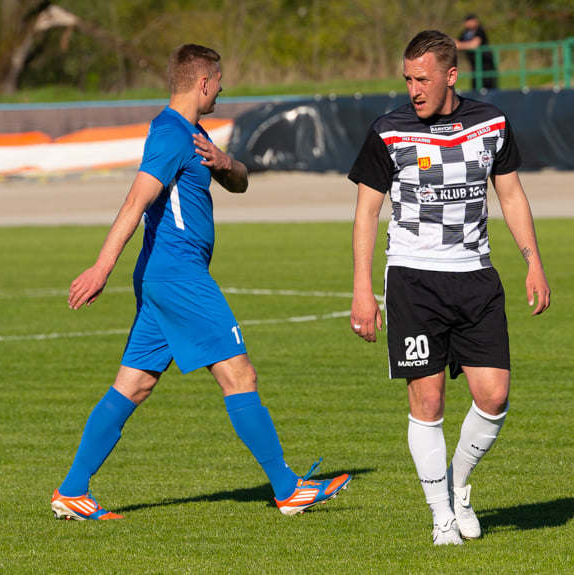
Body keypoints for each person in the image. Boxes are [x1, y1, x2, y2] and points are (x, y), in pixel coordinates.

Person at [50, 43, 350, 521]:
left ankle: (71, 489)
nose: (223, 88)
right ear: (203, 82)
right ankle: (288, 488)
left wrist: (226, 162)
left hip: (163, 277)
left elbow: (241, 181)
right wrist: (101, 267)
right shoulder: (170, 136)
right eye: (219, 80)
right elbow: (134, 202)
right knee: (239, 374)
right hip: (178, 276)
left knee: (135, 384)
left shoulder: (193, 134)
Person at [348, 30, 550, 545]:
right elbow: (367, 212)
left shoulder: (492, 122)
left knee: (495, 395)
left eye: (423, 78)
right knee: (429, 401)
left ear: (450, 76)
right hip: (413, 279)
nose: (413, 88)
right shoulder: (388, 131)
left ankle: (458, 484)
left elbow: (511, 195)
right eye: (407, 78)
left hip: (477, 277)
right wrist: (362, 288)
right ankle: (441, 516)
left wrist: (533, 261)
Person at [455, 14, 497, 91]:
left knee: (489, 88)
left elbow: (475, 44)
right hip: (474, 65)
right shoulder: (465, 33)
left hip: (486, 64)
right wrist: (466, 45)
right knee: (475, 88)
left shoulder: (479, 30)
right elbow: (456, 44)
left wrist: (462, 45)